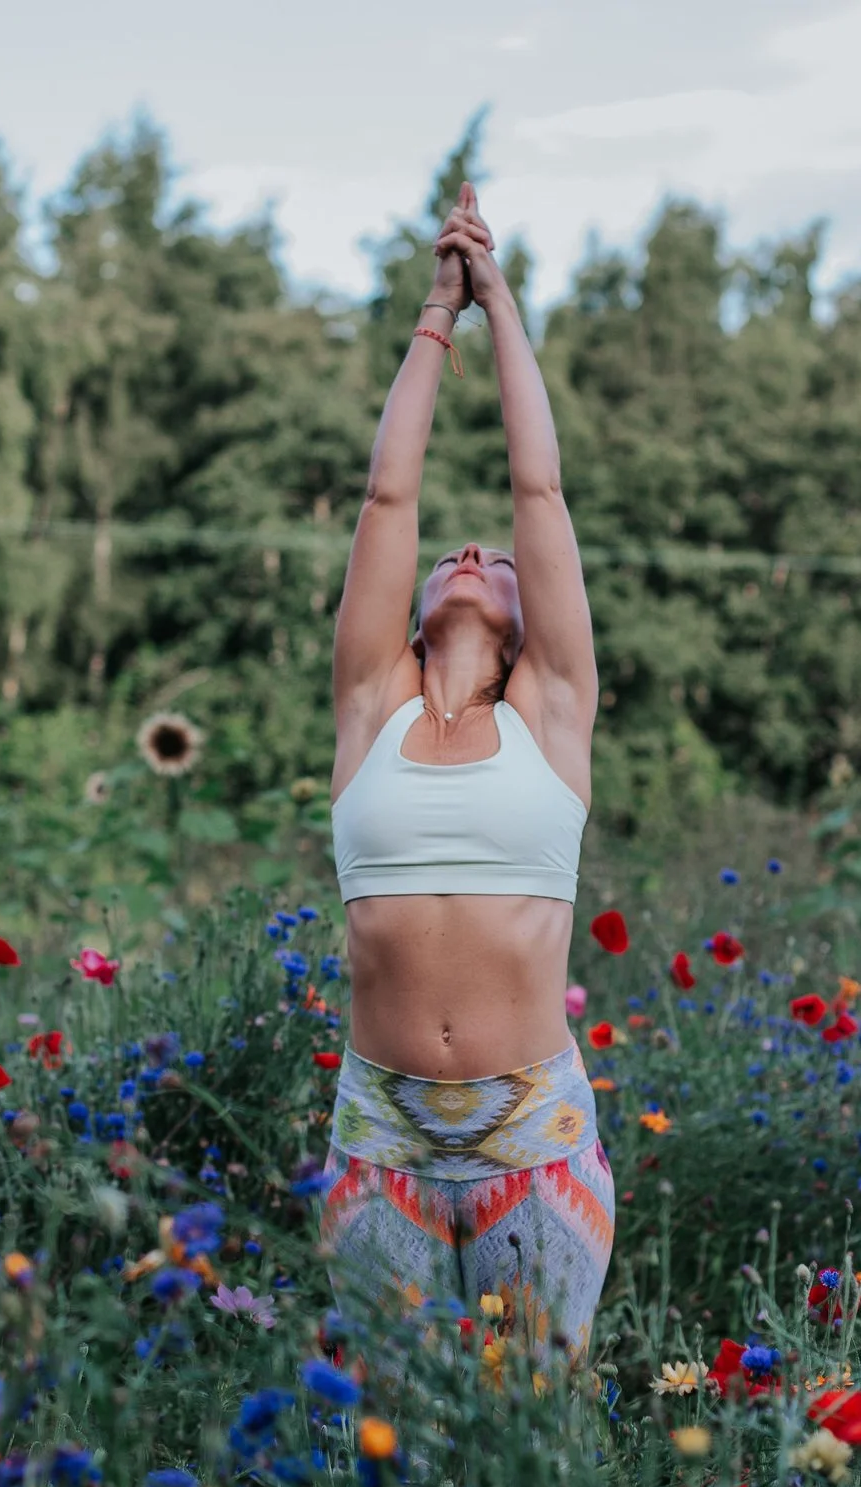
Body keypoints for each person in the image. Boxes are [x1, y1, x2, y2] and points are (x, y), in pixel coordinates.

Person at [315, 184, 613, 1371]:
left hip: (531, 1134)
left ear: (532, 614)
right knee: (389, 1439)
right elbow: (388, 493)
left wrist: (501, 300)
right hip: (377, 1132)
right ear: (418, 602)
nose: (475, 549)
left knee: (533, 1439)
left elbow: (539, 490)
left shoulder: (553, 713)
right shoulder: (370, 706)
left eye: (495, 558)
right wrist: (436, 314)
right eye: (453, 554)